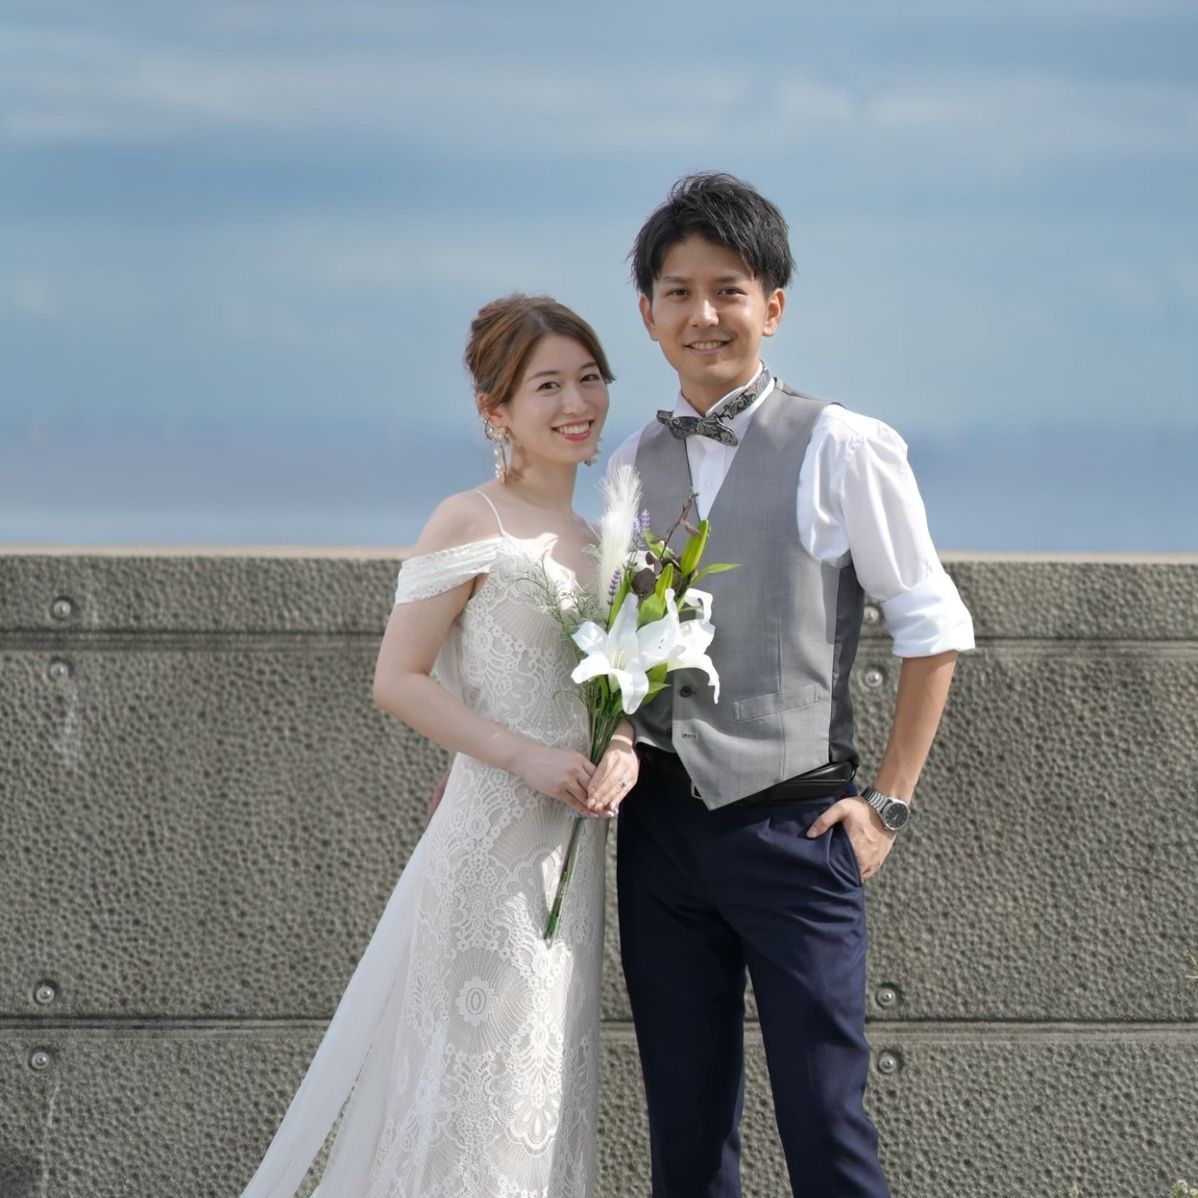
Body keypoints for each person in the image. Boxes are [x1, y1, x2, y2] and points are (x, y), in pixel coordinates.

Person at [607, 173, 975, 1197]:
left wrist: (887, 805)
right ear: (647, 315)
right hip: (660, 831)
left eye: (728, 290)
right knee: (684, 1135)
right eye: (678, 293)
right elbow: (616, 644)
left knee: (825, 1124)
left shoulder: (843, 444)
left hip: (795, 827)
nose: (704, 314)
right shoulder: (631, 463)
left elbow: (933, 629)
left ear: (772, 306)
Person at [239, 294, 638, 1198]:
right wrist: (523, 756)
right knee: (474, 1089)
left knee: (544, 1084)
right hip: (489, 846)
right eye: (547, 386)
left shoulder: (607, 541)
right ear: (497, 410)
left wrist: (624, 745)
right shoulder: (470, 520)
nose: (577, 403)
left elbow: (618, 685)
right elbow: (399, 678)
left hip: (571, 854)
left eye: (589, 379)